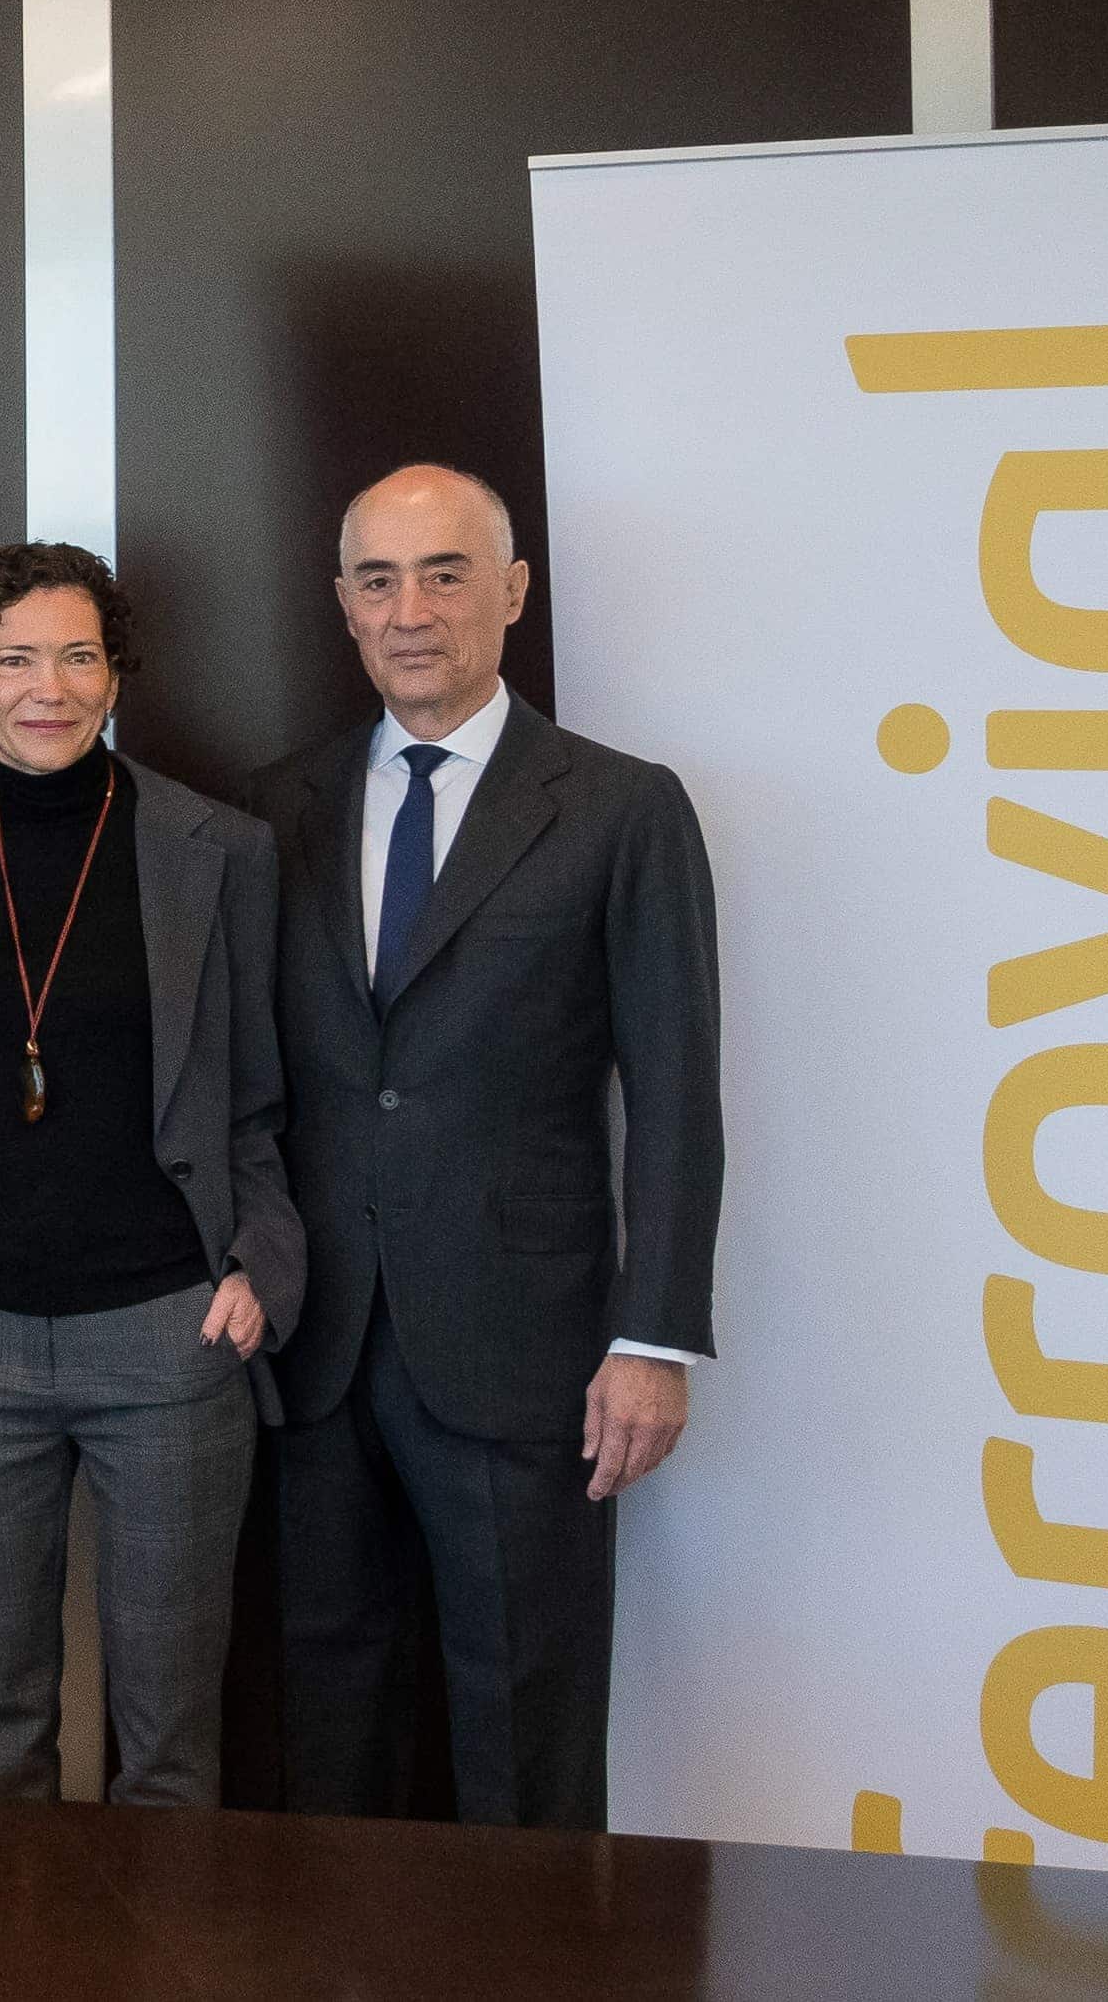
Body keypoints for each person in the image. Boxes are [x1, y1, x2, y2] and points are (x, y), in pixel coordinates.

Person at [250, 464, 722, 1830]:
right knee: (327, 1717)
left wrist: (655, 1339)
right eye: (380, 580)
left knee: (524, 1723)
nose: (413, 611)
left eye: (446, 573)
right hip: (319, 1347)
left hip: (532, 1354)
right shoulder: (276, 805)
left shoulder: (622, 809)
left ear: (512, 593)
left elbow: (680, 1094)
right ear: (341, 605)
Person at [0, 541, 300, 1807]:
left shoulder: (221, 850)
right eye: (12, 659)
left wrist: (257, 1267)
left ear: (112, 678)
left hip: (169, 1331)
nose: (45, 686)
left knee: (166, 1737)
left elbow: (263, 1094)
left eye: (75, 655)